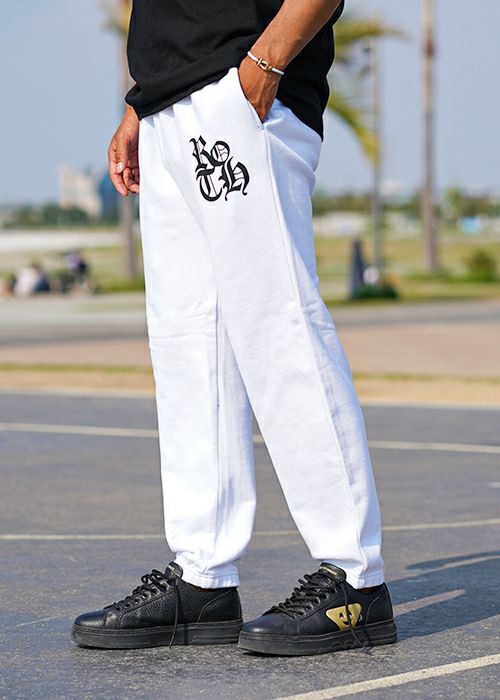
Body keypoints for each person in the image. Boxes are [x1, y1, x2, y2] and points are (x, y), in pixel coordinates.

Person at [72, 0, 397, 656]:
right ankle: (203, 576)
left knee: (280, 329)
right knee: (190, 344)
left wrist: (264, 65)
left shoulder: (252, 80)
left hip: (242, 89)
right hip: (168, 104)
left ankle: (356, 578)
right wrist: (143, 104)